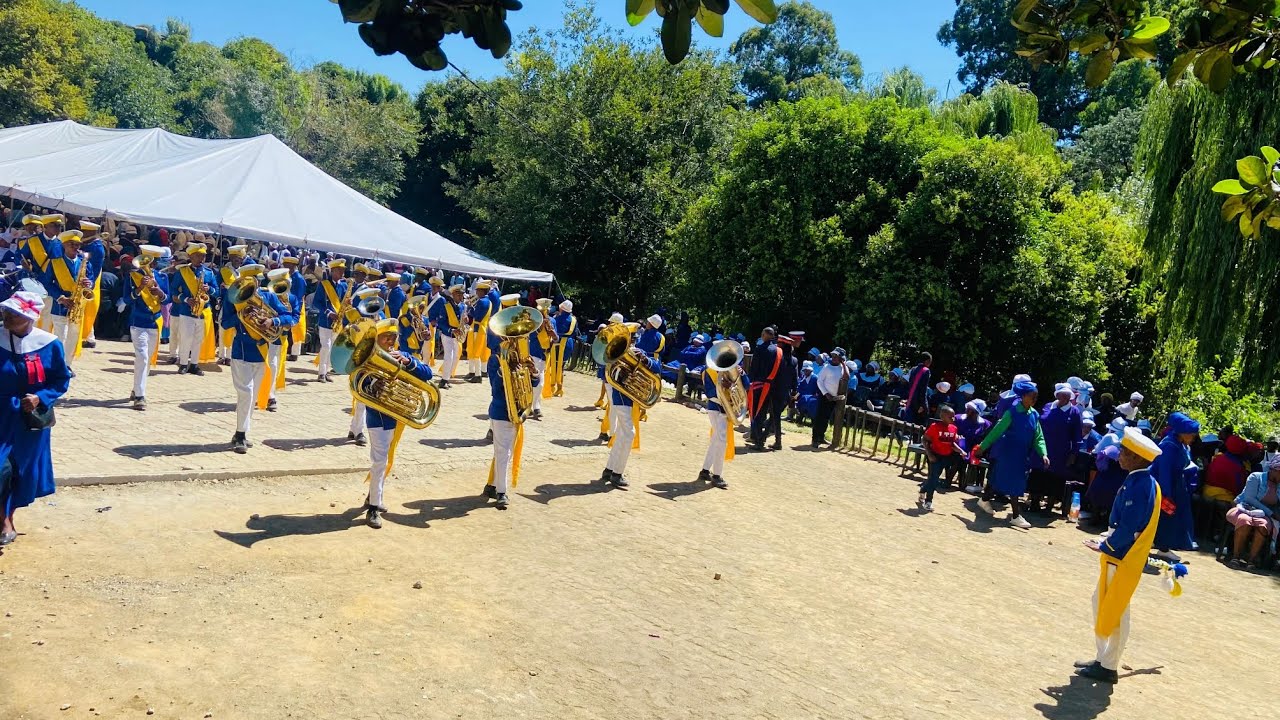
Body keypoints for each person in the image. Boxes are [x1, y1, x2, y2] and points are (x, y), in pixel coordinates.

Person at [1076, 427, 1164, 684]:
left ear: (1138, 457)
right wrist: (1105, 539)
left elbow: (1131, 527)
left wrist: (1106, 546)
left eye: (1125, 452)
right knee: (1104, 603)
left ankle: (1108, 664)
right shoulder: (1137, 479)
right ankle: (1103, 658)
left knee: (1115, 608)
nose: (1119, 455)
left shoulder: (1141, 484)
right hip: (1119, 551)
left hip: (1122, 555)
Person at [0, 291, 71, 546]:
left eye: (14, 314)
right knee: (1, 468)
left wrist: (41, 397)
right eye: (6, 312)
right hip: (1, 414)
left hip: (30, 419)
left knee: (20, 470)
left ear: (29, 318)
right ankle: (4, 521)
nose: (7, 317)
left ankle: (7, 519)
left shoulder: (49, 344)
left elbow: (61, 379)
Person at [358, 318, 433, 529]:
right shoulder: (367, 359)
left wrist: (409, 363)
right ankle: (374, 507)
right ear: (377, 340)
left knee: (385, 459)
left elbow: (428, 374)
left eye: (393, 337)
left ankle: (373, 495)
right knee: (379, 460)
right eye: (386, 338)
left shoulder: (403, 355)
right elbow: (359, 383)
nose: (390, 341)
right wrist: (375, 383)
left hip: (396, 416)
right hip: (377, 417)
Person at [222, 265, 296, 454]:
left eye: (257, 280)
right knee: (246, 393)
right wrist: (241, 316)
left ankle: (243, 432)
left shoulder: (268, 297)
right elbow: (224, 322)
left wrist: (274, 321)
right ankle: (240, 434)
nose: (256, 284)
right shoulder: (233, 299)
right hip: (241, 351)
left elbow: (290, 316)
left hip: (261, 352)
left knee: (252, 396)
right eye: (252, 279)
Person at [974, 379, 1049, 529]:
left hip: (1022, 455)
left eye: (1036, 396)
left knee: (1004, 481)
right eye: (1032, 396)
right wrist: (982, 447)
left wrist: (1043, 454)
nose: (1035, 399)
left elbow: (1038, 437)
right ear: (1023, 396)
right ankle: (1015, 516)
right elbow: (997, 431)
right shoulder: (1012, 412)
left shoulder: (1034, 414)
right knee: (1011, 483)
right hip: (1007, 452)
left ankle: (984, 499)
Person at [601, 324, 662, 489]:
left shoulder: (637, 353)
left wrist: (645, 359)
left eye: (634, 340)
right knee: (629, 434)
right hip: (622, 398)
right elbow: (609, 376)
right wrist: (626, 374)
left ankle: (609, 469)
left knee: (621, 434)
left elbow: (657, 367)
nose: (633, 343)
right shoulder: (615, 355)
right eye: (633, 339)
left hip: (627, 400)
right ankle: (617, 474)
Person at [119, 247, 169, 411]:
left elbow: (166, 299)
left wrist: (159, 293)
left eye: (152, 261)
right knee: (142, 357)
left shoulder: (162, 277)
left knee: (147, 359)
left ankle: (137, 387)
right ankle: (140, 395)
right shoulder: (132, 276)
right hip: (138, 321)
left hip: (155, 322)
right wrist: (140, 288)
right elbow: (127, 299)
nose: (150, 264)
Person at [1150, 411, 1200, 562]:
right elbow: (1164, 471)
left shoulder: (1181, 445)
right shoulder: (1169, 446)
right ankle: (1146, 545)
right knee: (1159, 517)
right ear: (1182, 432)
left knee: (1171, 519)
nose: (1193, 438)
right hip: (1165, 485)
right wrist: (1166, 494)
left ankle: (1164, 548)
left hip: (1177, 484)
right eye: (1191, 434)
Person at [699, 349, 748, 490]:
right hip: (715, 407)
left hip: (727, 409)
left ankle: (705, 470)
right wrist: (725, 387)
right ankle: (717, 475)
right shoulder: (708, 371)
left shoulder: (736, 370)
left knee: (716, 439)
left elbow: (747, 386)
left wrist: (741, 374)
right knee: (721, 440)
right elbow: (710, 392)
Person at [1032, 383, 1083, 513]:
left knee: (1055, 479)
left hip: (1060, 452)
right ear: (1057, 395)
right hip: (1042, 448)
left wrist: (1073, 454)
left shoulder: (1075, 412)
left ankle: (1048, 508)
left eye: (1067, 395)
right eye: (1062, 394)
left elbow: (1077, 436)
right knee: (1038, 475)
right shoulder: (1048, 406)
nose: (1064, 397)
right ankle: (1034, 503)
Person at [1225, 457, 1280, 569]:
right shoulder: (1255, 477)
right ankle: (1235, 557)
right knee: (1244, 521)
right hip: (1243, 507)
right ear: (1274, 470)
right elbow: (1249, 498)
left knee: (1263, 525)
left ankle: (1251, 560)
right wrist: (1270, 513)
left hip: (1264, 515)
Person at [170, 242, 217, 376]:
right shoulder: (183, 272)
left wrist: (210, 290)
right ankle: (184, 364)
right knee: (185, 338)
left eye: (203, 256)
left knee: (198, 339)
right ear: (191, 256)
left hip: (203, 311)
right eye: (198, 256)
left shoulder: (208, 273)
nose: (201, 259)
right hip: (186, 310)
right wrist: (185, 299)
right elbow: (173, 289)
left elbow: (216, 291)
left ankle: (194, 364)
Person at [45, 229, 91, 361]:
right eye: (72, 244)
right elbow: (46, 283)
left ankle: (67, 366)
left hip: (77, 305)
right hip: (60, 305)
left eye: (77, 245)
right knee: (61, 338)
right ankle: (58, 366)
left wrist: (89, 283)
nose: (75, 247)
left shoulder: (85, 262)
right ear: (64, 245)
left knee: (73, 339)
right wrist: (60, 298)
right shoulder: (55, 263)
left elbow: (91, 279)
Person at [919, 405, 965, 512]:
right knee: (934, 479)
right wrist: (929, 454)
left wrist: (961, 451)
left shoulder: (953, 428)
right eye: (950, 417)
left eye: (953, 417)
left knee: (933, 478)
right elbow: (924, 439)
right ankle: (928, 501)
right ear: (943, 416)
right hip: (935, 456)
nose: (953, 419)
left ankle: (923, 489)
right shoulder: (935, 427)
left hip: (946, 456)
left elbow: (952, 443)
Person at [311, 259, 348, 383]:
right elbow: (316, 302)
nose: (342, 273)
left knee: (331, 347)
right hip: (325, 321)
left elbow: (343, 302)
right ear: (333, 271)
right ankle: (321, 373)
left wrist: (348, 303)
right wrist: (328, 313)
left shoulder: (343, 285)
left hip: (338, 321)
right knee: (325, 346)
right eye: (339, 271)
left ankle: (326, 372)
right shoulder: (324, 284)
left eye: (343, 271)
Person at [747, 327, 781, 450]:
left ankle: (757, 438)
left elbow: (754, 367)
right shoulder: (778, 351)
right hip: (771, 385)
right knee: (763, 411)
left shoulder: (760, 349)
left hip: (758, 384)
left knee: (755, 411)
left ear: (765, 335)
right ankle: (757, 438)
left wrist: (749, 382)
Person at [77, 220, 105, 351]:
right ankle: (89, 337)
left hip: (90, 279)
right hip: (83, 278)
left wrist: (90, 285)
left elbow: (94, 268)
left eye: (85, 232)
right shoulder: (87, 243)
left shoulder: (97, 247)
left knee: (88, 308)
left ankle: (88, 337)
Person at [217, 244, 247, 365]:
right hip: (226, 302)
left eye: (240, 258)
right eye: (235, 257)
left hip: (239, 303)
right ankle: (222, 355)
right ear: (230, 257)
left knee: (235, 330)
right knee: (224, 327)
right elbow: (224, 285)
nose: (238, 260)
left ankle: (229, 356)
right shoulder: (224, 270)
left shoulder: (243, 272)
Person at [431, 284, 465, 388]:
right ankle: (444, 380)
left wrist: (465, 320)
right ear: (453, 295)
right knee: (448, 357)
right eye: (459, 295)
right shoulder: (446, 306)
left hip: (457, 335)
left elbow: (462, 318)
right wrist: (451, 330)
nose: (461, 297)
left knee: (455, 357)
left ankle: (447, 378)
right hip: (447, 335)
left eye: (461, 295)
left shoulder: (462, 306)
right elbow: (440, 323)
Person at [812, 348, 847, 448]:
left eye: (837, 356)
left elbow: (846, 377)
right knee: (819, 417)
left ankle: (821, 437)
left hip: (834, 398)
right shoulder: (827, 367)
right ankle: (815, 439)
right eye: (833, 356)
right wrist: (826, 393)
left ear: (841, 358)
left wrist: (844, 364)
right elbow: (819, 381)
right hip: (825, 396)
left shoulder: (842, 368)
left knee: (826, 417)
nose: (834, 358)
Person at [1203, 434, 1252, 503]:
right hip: (1224, 500)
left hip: (1206, 494)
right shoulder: (1238, 467)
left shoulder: (1217, 457)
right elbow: (1239, 488)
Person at [546, 299, 577, 397]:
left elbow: (554, 329)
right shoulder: (573, 319)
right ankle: (560, 387)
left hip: (558, 343)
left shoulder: (557, 318)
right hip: (569, 343)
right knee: (561, 366)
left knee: (553, 365)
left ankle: (552, 386)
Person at [465, 279, 494, 381]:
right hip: (481, 328)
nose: (476, 292)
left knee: (475, 351)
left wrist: (469, 307)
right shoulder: (488, 301)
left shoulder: (482, 301)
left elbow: (475, 315)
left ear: (482, 291)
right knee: (475, 351)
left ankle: (477, 375)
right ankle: (473, 372)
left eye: (478, 290)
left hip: (478, 328)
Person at [283, 255, 306, 361]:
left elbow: (300, 295)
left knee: (296, 330)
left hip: (296, 305)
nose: (285, 267)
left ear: (293, 266)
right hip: (286, 304)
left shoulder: (299, 278)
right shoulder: (287, 276)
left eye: (287, 265)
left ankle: (295, 353)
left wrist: (296, 308)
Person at [903, 352, 933, 424]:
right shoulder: (926, 371)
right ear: (927, 361)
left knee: (910, 418)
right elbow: (923, 389)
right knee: (923, 418)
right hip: (919, 400)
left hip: (911, 397)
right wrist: (923, 404)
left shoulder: (913, 369)